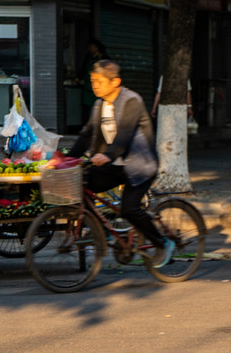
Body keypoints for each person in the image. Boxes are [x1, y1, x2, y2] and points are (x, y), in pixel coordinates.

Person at [65, 59, 172, 267]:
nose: (95, 85)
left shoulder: (132, 100)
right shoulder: (99, 105)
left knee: (129, 209)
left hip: (140, 166)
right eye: (92, 81)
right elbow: (87, 135)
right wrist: (67, 158)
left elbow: (124, 134)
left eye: (99, 81)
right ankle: (102, 232)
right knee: (83, 186)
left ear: (115, 82)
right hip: (115, 165)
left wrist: (108, 155)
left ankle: (162, 242)